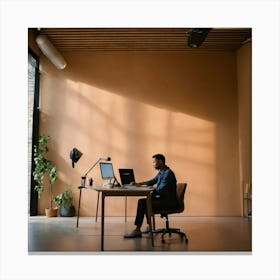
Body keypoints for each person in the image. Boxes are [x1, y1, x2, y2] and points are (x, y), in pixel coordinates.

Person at [124, 154, 178, 238]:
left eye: (154, 162)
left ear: (160, 161)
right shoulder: (162, 172)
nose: (153, 164)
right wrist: (138, 184)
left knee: (142, 203)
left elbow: (160, 190)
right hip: (164, 199)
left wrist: (150, 189)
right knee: (145, 201)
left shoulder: (168, 173)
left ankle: (138, 230)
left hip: (168, 202)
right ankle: (149, 227)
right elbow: (152, 181)